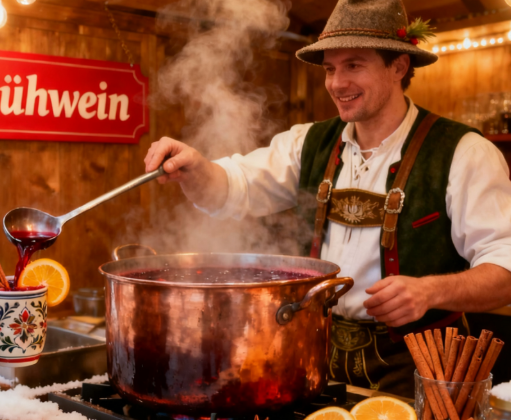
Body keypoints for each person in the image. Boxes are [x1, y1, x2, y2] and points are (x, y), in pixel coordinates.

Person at [144, 0, 511, 397]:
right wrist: (197, 168)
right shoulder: (309, 142)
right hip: (317, 357)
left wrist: (430, 292)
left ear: (399, 66)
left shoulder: (464, 152)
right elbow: (235, 187)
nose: (337, 83)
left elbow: (505, 268)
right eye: (330, 69)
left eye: (354, 64)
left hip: (425, 372)